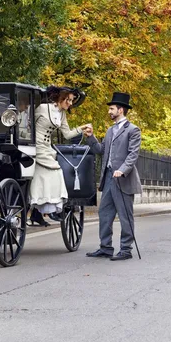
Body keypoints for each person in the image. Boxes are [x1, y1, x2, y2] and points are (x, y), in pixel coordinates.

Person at [84, 92, 141, 261]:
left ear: (120, 110)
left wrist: (122, 169)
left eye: (112, 109)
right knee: (105, 213)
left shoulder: (133, 130)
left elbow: (133, 155)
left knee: (125, 215)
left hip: (123, 178)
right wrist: (91, 137)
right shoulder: (110, 130)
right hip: (108, 178)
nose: (109, 112)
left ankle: (126, 249)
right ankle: (106, 247)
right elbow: (101, 151)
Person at [29, 86, 91, 224]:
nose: (70, 103)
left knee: (44, 176)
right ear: (61, 98)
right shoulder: (42, 108)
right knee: (56, 172)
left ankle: (37, 212)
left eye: (71, 101)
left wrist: (82, 128)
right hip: (36, 146)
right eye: (68, 100)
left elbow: (67, 134)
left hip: (47, 148)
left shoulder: (62, 114)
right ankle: (51, 210)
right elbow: (28, 123)